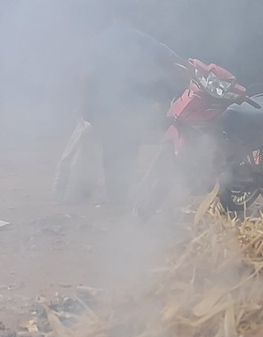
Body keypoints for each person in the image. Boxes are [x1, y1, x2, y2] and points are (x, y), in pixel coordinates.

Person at [79, 24, 191, 204]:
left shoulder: (100, 39)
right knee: (129, 147)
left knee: (111, 149)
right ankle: (122, 192)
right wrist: (190, 68)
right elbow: (167, 55)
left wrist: (85, 107)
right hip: (133, 105)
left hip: (108, 104)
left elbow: (87, 75)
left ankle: (116, 194)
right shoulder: (141, 38)